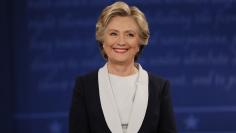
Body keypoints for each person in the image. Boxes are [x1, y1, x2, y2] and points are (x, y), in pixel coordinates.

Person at [69, 1, 177, 133]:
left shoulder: (160, 87)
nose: (121, 41)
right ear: (103, 40)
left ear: (139, 43)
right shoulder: (84, 86)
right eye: (113, 33)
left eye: (130, 34)